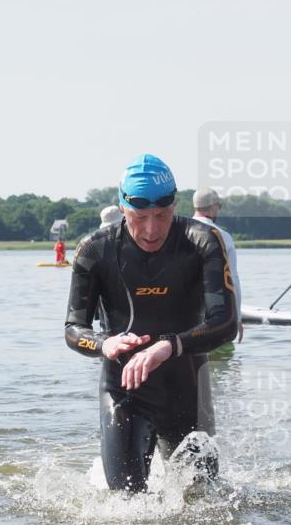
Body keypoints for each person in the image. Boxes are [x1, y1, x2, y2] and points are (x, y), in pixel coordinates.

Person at [65, 154, 237, 493]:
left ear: (176, 204)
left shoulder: (201, 241)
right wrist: (104, 344)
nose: (151, 229)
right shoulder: (95, 250)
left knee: (203, 501)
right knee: (124, 504)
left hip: (187, 385)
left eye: (162, 215)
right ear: (122, 206)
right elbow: (73, 329)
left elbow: (226, 322)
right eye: (139, 216)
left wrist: (169, 345)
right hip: (124, 388)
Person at [191, 188, 243, 342]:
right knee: (223, 362)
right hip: (216, 317)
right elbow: (232, 279)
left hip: (185, 318)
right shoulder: (223, 236)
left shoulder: (179, 231)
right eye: (218, 207)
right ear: (213, 207)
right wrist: (238, 318)